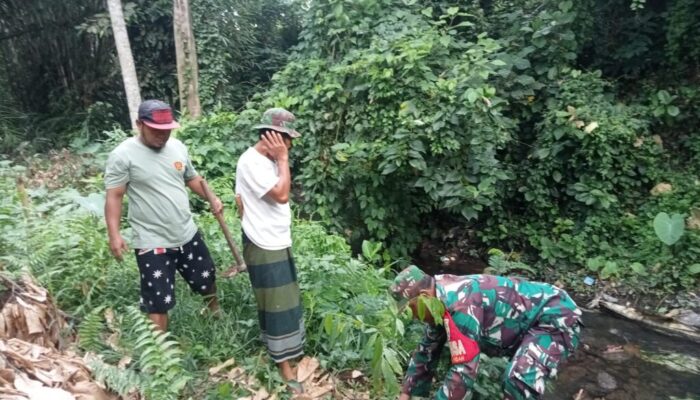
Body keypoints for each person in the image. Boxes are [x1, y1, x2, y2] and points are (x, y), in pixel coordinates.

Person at [104, 99, 223, 331]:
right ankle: (160, 354)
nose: (163, 136)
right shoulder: (122, 156)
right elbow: (115, 196)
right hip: (152, 240)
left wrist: (213, 198)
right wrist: (114, 235)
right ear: (139, 124)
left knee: (206, 277)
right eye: (156, 131)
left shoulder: (178, 148)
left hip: (186, 231)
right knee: (157, 300)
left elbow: (192, 178)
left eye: (167, 130)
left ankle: (214, 312)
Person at [390, 266, 583, 400]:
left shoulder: (459, 303)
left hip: (555, 315)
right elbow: (427, 350)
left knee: (520, 379)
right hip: (526, 324)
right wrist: (406, 393)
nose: (412, 317)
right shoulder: (436, 302)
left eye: (411, 310)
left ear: (424, 297)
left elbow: (464, 369)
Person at [235, 108, 304, 391]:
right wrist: (284, 159)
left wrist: (280, 161)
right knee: (276, 304)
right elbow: (282, 194)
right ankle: (284, 367)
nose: (289, 145)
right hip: (263, 242)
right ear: (274, 135)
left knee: (286, 300)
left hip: (277, 239)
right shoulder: (251, 162)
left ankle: (286, 351)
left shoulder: (271, 160)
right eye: (288, 139)